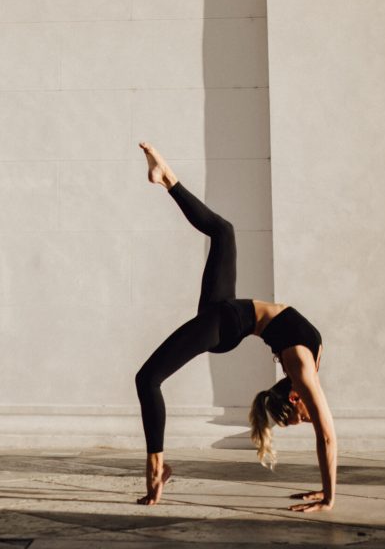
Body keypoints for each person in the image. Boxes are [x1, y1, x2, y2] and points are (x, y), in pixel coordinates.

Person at [135, 143, 336, 511]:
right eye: (300, 419)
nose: (309, 416)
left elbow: (326, 436)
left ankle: (156, 467)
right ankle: (166, 178)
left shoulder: (301, 370)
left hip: (227, 323)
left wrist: (328, 496)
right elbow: (326, 434)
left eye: (298, 418)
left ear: (294, 398)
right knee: (224, 231)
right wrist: (328, 494)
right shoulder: (305, 371)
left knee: (147, 379)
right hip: (228, 314)